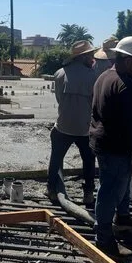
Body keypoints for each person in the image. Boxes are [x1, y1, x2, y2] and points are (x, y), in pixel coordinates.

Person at [90, 35, 132, 258]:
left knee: (118, 187)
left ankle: (122, 220)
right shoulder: (127, 87)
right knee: (110, 190)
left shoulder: (104, 76)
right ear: (127, 59)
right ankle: (103, 240)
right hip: (115, 147)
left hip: (100, 141)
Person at [47, 40, 97, 206]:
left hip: (63, 126)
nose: (92, 57)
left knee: (56, 158)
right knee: (89, 160)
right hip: (84, 128)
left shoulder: (60, 73)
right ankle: (88, 194)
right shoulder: (93, 76)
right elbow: (94, 103)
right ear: (83, 57)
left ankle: (52, 190)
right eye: (90, 55)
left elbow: (59, 99)